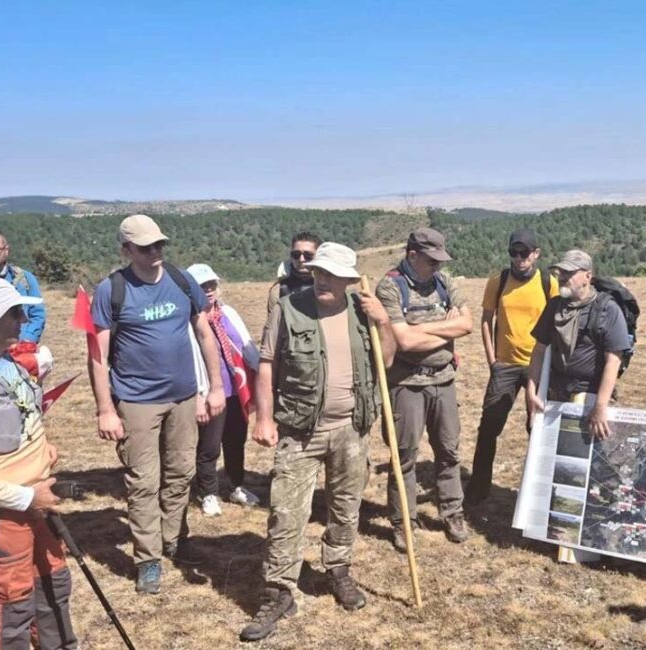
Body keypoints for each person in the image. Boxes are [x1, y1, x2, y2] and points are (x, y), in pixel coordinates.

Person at [240, 243, 395, 642]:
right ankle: (278, 590)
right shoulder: (288, 308)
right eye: (320, 272)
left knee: (346, 506)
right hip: (299, 430)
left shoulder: (362, 310)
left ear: (348, 280)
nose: (324, 280)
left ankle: (338, 570)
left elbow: (387, 361)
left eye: (333, 275)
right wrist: (263, 418)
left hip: (352, 428)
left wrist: (383, 323)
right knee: (286, 513)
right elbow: (267, 364)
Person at [87, 214, 226, 595]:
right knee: (143, 481)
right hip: (136, 400)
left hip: (183, 396)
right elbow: (97, 355)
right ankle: (148, 559)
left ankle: (173, 538)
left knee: (181, 472)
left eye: (159, 245)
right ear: (127, 250)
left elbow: (204, 333)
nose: (155, 252)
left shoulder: (181, 280)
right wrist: (105, 409)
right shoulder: (112, 290)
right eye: (146, 247)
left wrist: (215, 387)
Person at [0, 277, 78, 650]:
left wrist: (42, 449)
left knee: (53, 586)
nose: (23, 320)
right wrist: (27, 498)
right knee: (11, 609)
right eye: (14, 312)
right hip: (0, 516)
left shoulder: (7, 363)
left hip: (36, 506)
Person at [375, 228, 473, 550]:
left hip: (443, 379)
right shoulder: (390, 287)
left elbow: (467, 324)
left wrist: (421, 330)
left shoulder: (445, 282)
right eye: (432, 260)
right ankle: (404, 520)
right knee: (404, 455)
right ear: (412, 255)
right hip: (406, 384)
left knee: (449, 451)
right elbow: (403, 341)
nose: (437, 266)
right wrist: (446, 328)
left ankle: (452, 512)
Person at [465, 228, 557, 505]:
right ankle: (478, 489)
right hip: (504, 366)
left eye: (524, 253)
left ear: (536, 253)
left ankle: (538, 496)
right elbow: (486, 319)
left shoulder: (548, 283)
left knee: (538, 429)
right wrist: (492, 360)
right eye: (513, 253)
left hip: (537, 367)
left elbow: (557, 323)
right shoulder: (498, 281)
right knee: (489, 427)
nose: (519, 258)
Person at [525, 249, 630, 439]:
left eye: (569, 273)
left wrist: (600, 407)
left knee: (581, 449)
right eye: (561, 273)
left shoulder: (607, 309)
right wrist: (531, 392)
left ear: (587, 277)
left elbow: (613, 361)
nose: (562, 277)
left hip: (589, 397)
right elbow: (539, 350)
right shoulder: (554, 306)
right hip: (555, 396)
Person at [186, 263, 261, 517]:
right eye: (201, 286)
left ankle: (236, 486)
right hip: (209, 391)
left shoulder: (228, 313)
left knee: (236, 440)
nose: (208, 290)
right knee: (209, 445)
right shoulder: (189, 319)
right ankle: (208, 492)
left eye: (211, 285)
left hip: (236, 389)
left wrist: (261, 371)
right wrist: (198, 395)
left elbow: (246, 344)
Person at [0, 228, 46, 375]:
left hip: (21, 357)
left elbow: (37, 314)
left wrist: (25, 343)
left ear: (6, 250)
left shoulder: (24, 279)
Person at [266, 231, 322, 320]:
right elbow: (273, 324)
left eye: (308, 255)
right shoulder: (278, 290)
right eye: (296, 255)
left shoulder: (330, 286)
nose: (301, 259)